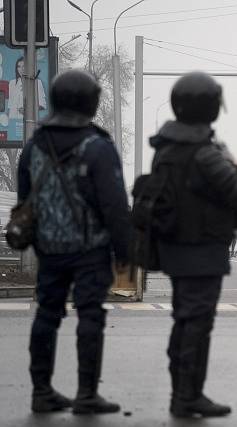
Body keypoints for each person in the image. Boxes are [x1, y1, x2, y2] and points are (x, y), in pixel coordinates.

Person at [17, 70, 130, 414]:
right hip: (90, 250)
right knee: (90, 316)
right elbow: (114, 205)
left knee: (46, 315)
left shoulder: (34, 146)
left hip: (49, 249)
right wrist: (125, 250)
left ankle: (41, 391)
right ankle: (86, 394)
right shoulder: (97, 146)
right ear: (89, 102)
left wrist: (39, 242)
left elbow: (25, 202)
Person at [149, 73, 237, 418]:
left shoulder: (165, 149)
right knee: (197, 324)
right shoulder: (205, 153)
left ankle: (184, 393)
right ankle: (187, 397)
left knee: (184, 321)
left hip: (176, 248)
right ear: (208, 107)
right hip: (202, 250)